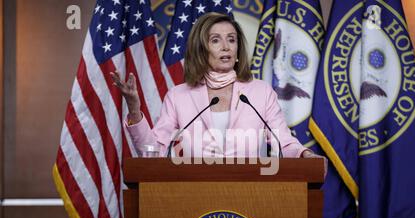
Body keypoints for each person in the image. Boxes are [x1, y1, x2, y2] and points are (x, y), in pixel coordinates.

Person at [111, 12, 327, 173]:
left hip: (251, 193)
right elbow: (154, 152)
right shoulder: (178, 96)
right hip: (193, 196)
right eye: (215, 40)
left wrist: (305, 154)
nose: (226, 47)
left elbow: (284, 143)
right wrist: (134, 109)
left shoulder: (261, 93)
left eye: (231, 40)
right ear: (201, 50)